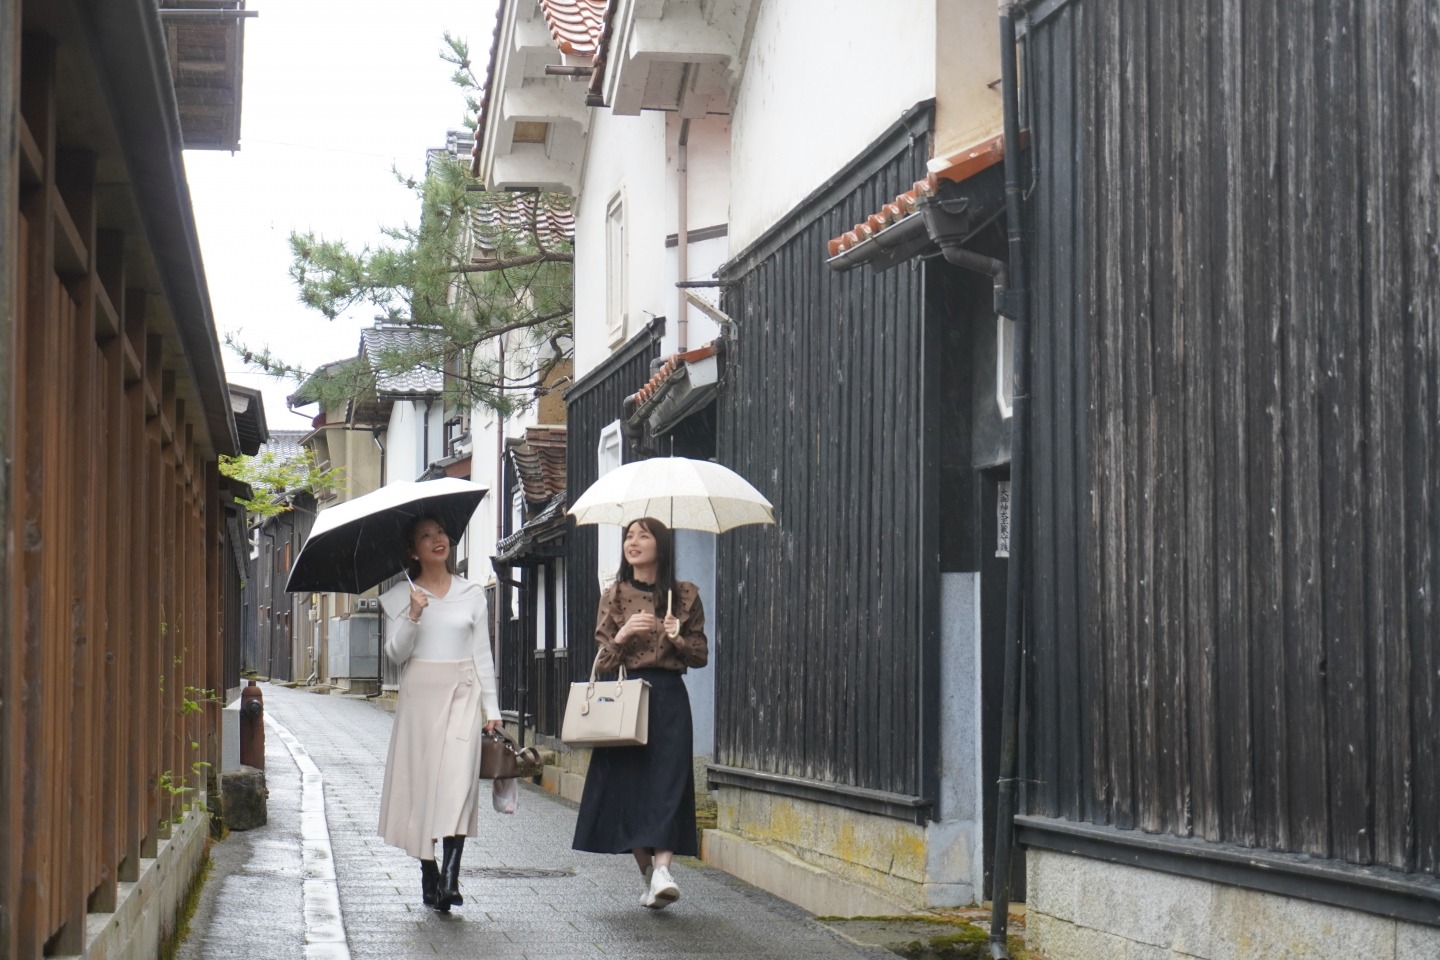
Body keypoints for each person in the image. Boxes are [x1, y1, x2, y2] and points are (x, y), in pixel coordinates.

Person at [572, 517, 709, 909]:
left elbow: (700, 655)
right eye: (628, 536)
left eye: (643, 535)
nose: (632, 542)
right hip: (627, 695)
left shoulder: (684, 596)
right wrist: (623, 634)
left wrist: (677, 637)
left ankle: (663, 870)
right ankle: (649, 873)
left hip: (669, 697)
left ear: (660, 545)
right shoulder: (614, 595)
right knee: (628, 787)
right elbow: (603, 661)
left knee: (669, 784)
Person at [377, 516, 502, 912]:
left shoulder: (472, 593)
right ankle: (428, 869)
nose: (437, 539)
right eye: (425, 536)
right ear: (413, 551)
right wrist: (413, 616)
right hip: (420, 699)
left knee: (458, 781)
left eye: (441, 532)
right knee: (423, 787)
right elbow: (395, 655)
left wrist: (493, 708)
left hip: (464, 692)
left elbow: (483, 654)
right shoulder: (401, 595)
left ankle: (450, 874)